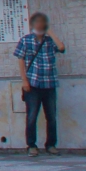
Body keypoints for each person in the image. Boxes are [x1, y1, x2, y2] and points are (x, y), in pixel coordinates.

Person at [13, 13, 64, 156]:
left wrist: (50, 32)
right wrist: (24, 80)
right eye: (38, 23)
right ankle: (31, 145)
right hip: (33, 83)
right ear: (32, 25)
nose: (40, 25)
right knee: (32, 116)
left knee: (52, 116)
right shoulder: (26, 40)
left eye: (43, 23)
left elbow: (61, 48)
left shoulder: (49, 41)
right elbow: (21, 60)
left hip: (50, 83)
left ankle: (51, 144)